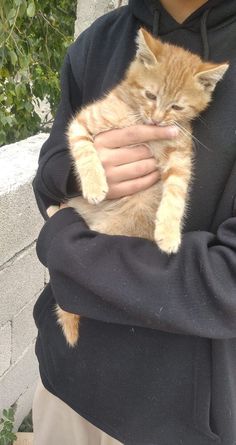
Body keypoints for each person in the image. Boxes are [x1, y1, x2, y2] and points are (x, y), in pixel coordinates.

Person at [32, 0, 236, 444]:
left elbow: (228, 283)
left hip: (178, 423)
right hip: (64, 383)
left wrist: (64, 246)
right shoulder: (98, 42)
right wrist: (76, 169)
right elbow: (49, 170)